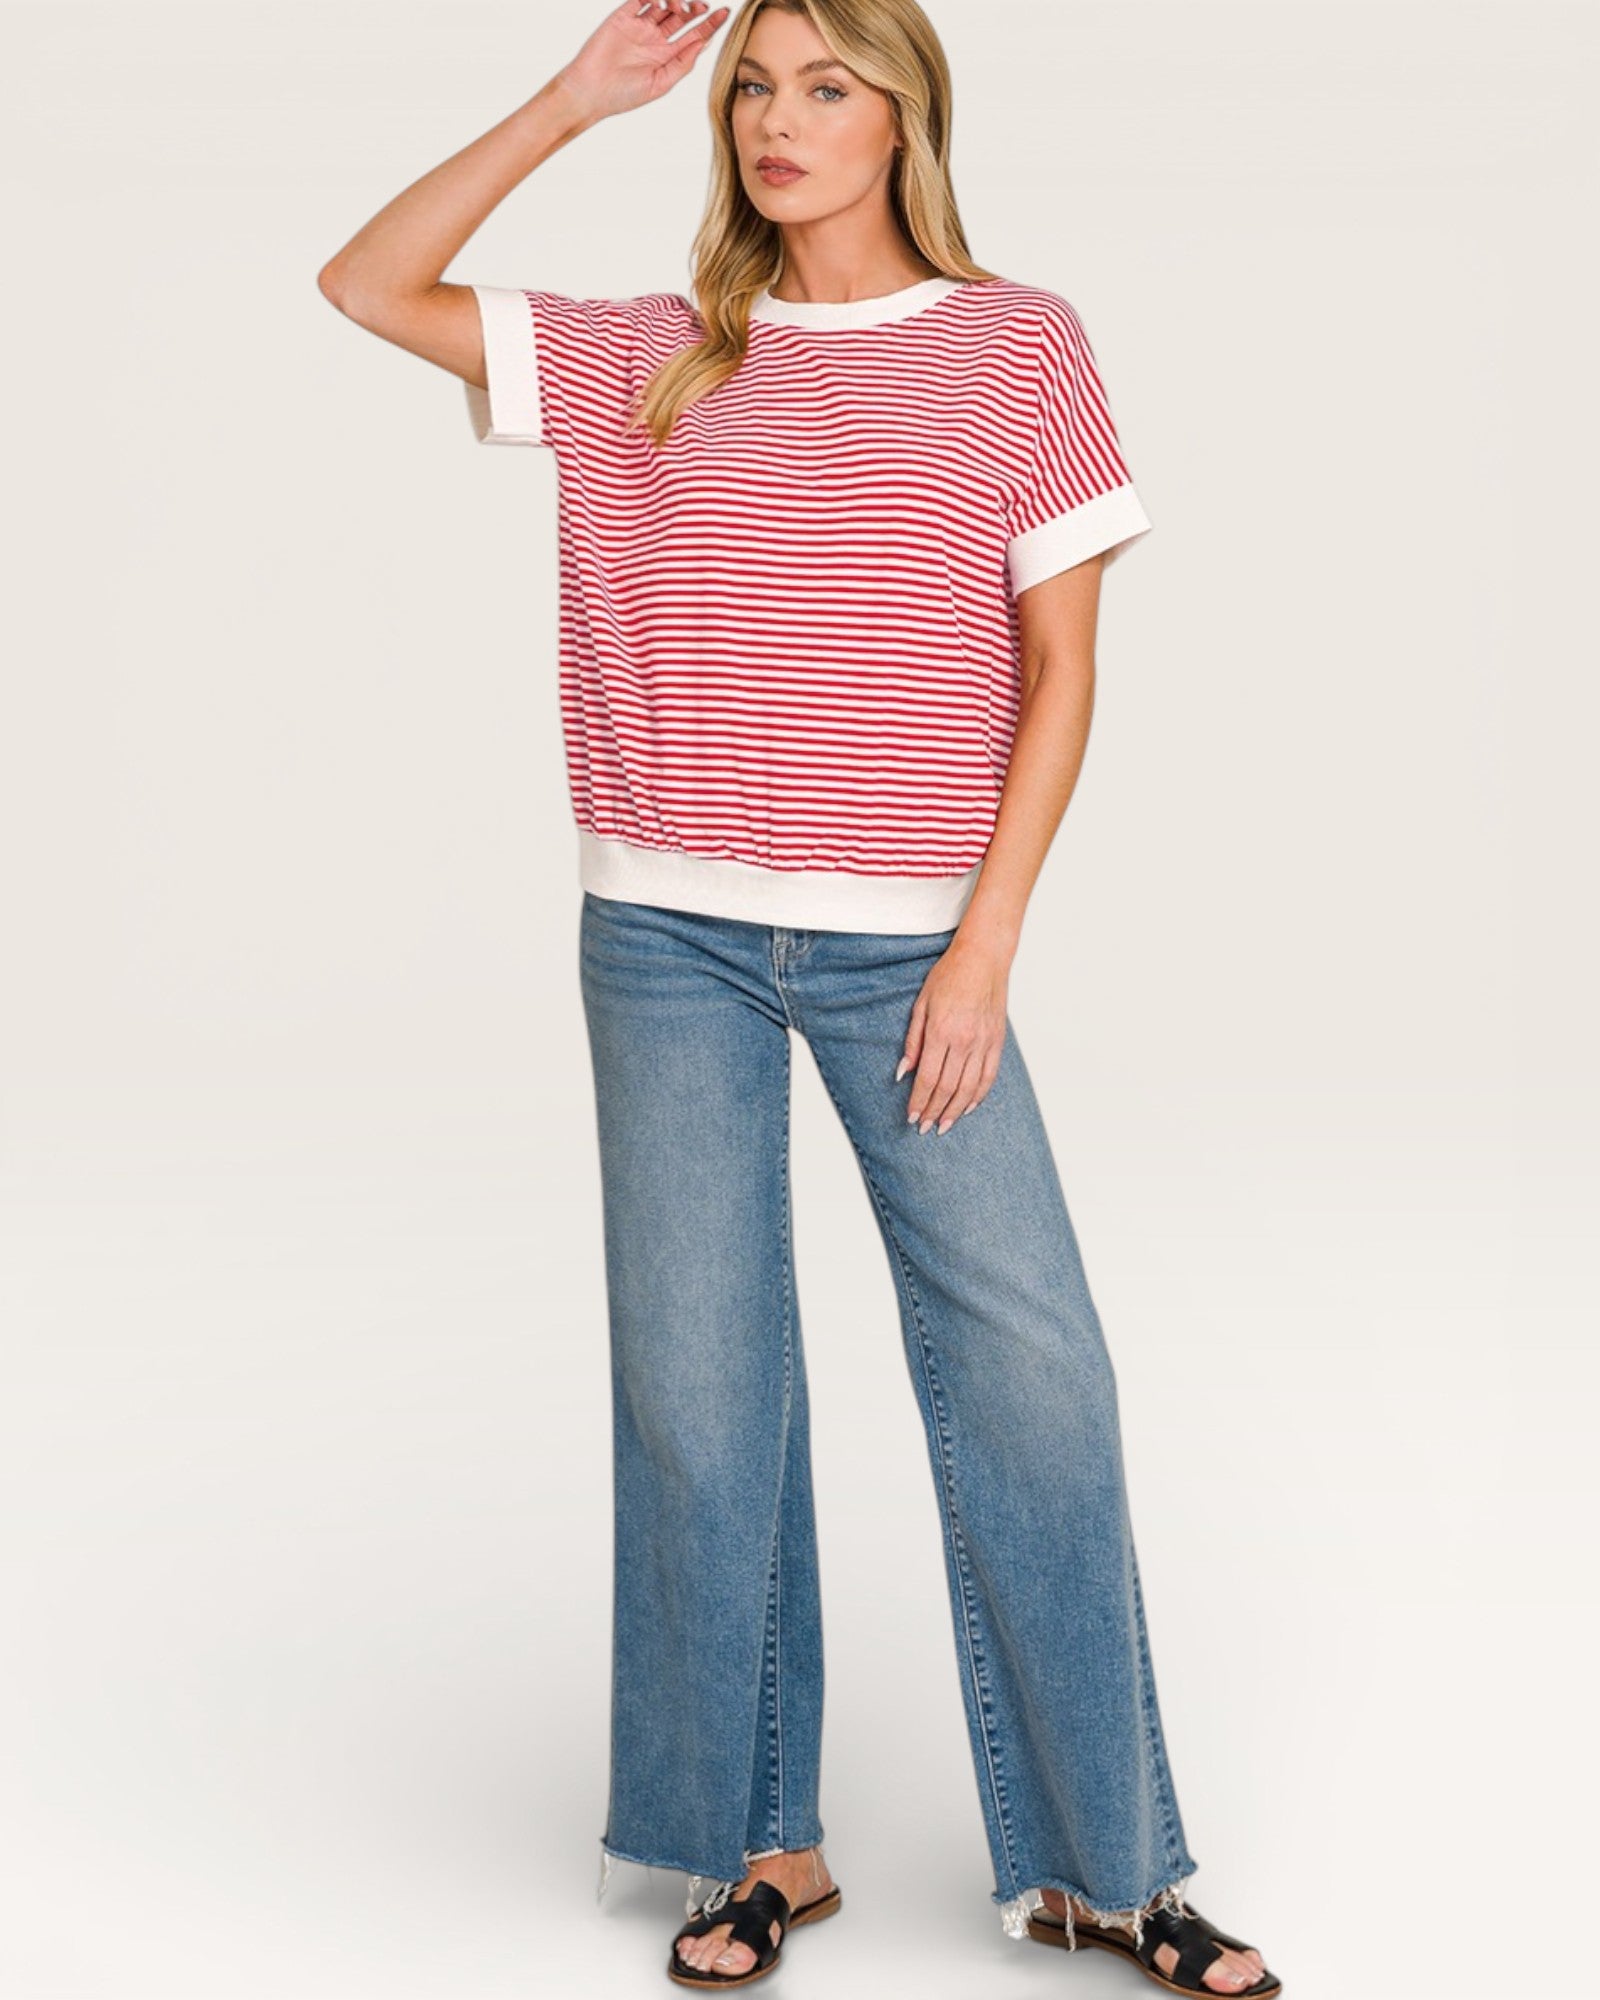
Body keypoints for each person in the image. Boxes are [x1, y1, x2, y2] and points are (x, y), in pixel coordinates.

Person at [317, 1, 1281, 1992]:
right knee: (700, 1391)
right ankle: (760, 1845)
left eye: (823, 83)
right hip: (660, 935)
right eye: (753, 86)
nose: (775, 119)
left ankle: (1113, 1865)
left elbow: (1062, 668)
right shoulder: (643, 352)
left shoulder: (1019, 344)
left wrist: (986, 940)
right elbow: (362, 277)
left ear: (904, 112)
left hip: (910, 943)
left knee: (1032, 1376)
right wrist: (579, 97)